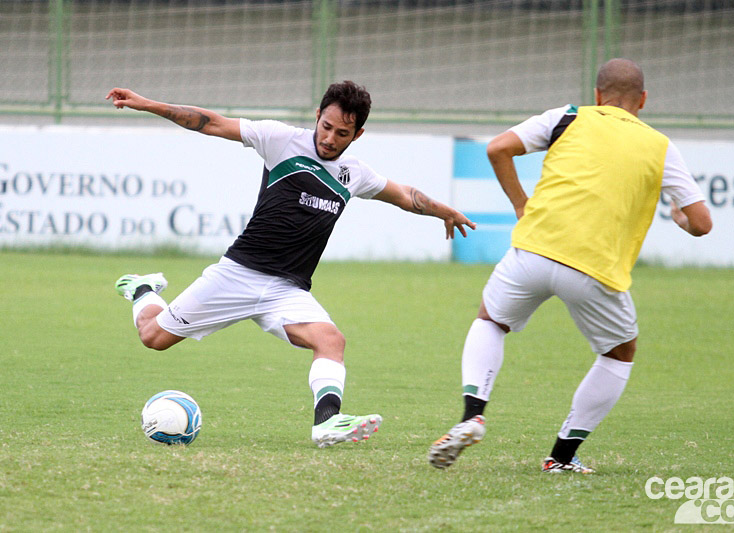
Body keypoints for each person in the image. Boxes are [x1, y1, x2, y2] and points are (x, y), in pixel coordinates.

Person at [106, 81, 475, 448]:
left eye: (342, 133)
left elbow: (404, 195)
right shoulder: (280, 140)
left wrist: (444, 211)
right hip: (237, 274)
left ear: (358, 134)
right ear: (317, 115)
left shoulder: (355, 174)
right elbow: (211, 122)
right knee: (153, 337)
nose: (329, 138)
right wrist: (146, 104)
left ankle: (327, 422)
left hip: (286, 290)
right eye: (326, 126)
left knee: (331, 340)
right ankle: (141, 288)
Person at [428, 59, 712, 473]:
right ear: (643, 100)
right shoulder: (660, 145)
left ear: (597, 95)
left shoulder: (568, 117)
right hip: (594, 269)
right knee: (619, 353)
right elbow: (701, 223)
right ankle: (561, 457)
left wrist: (521, 205)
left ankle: (473, 415)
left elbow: (498, 148)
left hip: (534, 250)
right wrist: (679, 216)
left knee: (491, 320)